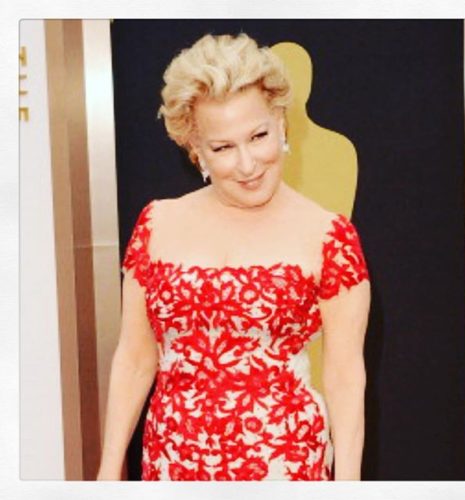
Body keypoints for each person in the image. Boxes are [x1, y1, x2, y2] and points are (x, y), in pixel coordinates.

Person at [97, 32, 371, 481]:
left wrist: (349, 484)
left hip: (283, 466)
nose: (247, 164)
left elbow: (344, 376)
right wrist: (109, 471)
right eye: (223, 147)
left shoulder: (328, 236)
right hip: (172, 463)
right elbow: (134, 358)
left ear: (281, 123)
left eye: (258, 136)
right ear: (195, 149)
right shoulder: (157, 224)